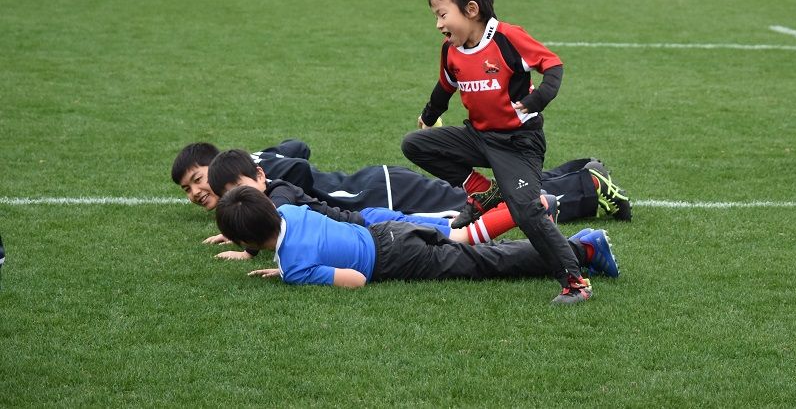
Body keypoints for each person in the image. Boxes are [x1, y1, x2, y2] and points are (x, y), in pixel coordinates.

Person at [401, 0, 593, 304]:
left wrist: (537, 99)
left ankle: (576, 284)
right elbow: (445, 87)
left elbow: (553, 65)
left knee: (526, 211)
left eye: (442, 14)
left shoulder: (507, 37)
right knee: (415, 145)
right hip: (478, 137)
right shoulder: (450, 50)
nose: (438, 24)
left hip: (519, 144)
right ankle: (482, 191)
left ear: (471, 10)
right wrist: (429, 116)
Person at [214, 186, 619, 290]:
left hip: (395, 260)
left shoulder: (296, 266)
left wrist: (292, 276)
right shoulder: (288, 211)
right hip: (389, 230)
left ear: (246, 239)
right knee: (474, 246)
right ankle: (572, 244)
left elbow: (355, 280)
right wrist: (285, 267)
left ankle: (581, 250)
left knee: (483, 262)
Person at [170, 139, 631, 221]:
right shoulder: (256, 162)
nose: (196, 192)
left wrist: (250, 209)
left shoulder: (264, 178)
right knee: (481, 196)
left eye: (198, 180)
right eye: (188, 189)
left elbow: (298, 169)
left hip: (390, 195)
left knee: (484, 207)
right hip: (383, 185)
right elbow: (298, 146)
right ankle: (579, 169)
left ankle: (588, 192)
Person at [206, 148, 557, 254]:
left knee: (457, 235)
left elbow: (275, 219)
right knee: (454, 233)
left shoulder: (280, 194)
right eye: (231, 196)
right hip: (370, 224)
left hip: (373, 225)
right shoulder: (270, 198)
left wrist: (244, 231)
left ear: (260, 176)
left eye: (241, 188)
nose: (241, 197)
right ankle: (528, 209)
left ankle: (530, 207)